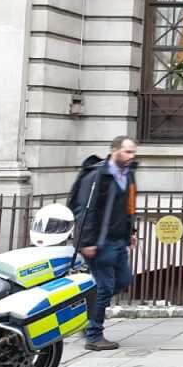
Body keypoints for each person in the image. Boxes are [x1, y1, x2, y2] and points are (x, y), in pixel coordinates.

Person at [74, 135, 139, 351]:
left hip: (119, 240)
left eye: (133, 152)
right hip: (99, 242)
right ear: (114, 151)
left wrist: (132, 231)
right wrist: (86, 241)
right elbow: (86, 211)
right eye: (128, 152)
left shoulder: (128, 176)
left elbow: (129, 206)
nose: (132, 156)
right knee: (105, 287)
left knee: (123, 280)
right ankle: (93, 335)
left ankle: (88, 315)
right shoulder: (97, 176)